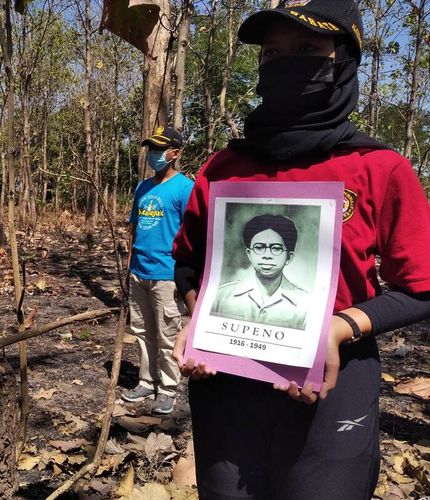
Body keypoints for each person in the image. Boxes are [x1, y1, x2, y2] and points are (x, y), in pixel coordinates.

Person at [171, 1, 430, 499]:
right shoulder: (224, 168)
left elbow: (420, 286)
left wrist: (339, 327)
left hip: (334, 385)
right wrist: (197, 317)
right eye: (272, 52)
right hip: (227, 384)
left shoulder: (379, 168)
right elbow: (189, 264)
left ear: (344, 61)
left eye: (308, 49)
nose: (285, 62)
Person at [121, 125, 194, 415]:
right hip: (139, 270)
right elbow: (134, 226)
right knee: (141, 330)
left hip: (167, 273)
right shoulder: (142, 187)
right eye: (151, 148)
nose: (153, 154)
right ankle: (146, 380)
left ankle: (167, 388)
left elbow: (192, 234)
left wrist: (187, 275)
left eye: (159, 149)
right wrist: (129, 265)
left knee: (166, 333)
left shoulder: (185, 188)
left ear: (175, 153)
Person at [211, 214, 310, 330]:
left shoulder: (307, 304)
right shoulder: (221, 296)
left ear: (289, 256)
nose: (267, 255)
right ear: (249, 254)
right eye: (259, 247)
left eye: (276, 248)